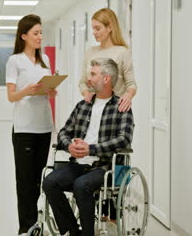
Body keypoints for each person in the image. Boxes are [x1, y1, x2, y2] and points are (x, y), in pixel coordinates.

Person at [43, 58, 134, 236]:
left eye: (93, 74)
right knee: (49, 182)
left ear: (106, 79)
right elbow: (64, 131)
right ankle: (74, 231)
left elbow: (124, 139)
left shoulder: (121, 107)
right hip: (77, 163)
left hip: (102, 167)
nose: (88, 79)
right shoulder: (83, 105)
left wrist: (91, 149)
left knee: (80, 185)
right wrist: (69, 146)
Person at [6, 14, 57, 236]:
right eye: (35, 33)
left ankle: (35, 223)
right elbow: (11, 96)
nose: (40, 37)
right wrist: (29, 90)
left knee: (38, 180)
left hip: (44, 127)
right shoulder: (14, 61)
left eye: (41, 32)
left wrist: (50, 90)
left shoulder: (44, 59)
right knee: (24, 181)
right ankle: (25, 227)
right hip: (24, 128)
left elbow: (50, 93)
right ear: (24, 35)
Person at [80, 8, 138, 112]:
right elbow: (82, 82)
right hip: (92, 109)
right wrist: (86, 94)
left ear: (110, 27)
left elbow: (131, 83)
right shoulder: (90, 52)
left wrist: (128, 96)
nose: (94, 32)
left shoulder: (122, 52)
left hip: (115, 110)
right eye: (93, 28)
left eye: (97, 28)